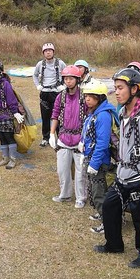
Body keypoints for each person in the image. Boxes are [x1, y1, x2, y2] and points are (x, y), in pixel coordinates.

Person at [94, 68, 140, 268]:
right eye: (115, 88)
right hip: (123, 174)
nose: (116, 92)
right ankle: (114, 244)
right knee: (110, 207)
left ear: (134, 89)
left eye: (120, 88)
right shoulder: (122, 111)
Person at [80, 79, 118, 234]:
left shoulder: (102, 115)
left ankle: (106, 222)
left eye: (92, 96)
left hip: (99, 160)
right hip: (91, 156)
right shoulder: (94, 112)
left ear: (100, 97)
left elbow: (102, 142)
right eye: (86, 95)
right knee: (94, 189)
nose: (87, 99)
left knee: (99, 192)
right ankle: (101, 213)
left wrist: (94, 164)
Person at [49, 65, 88, 208]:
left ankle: (81, 198)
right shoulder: (61, 97)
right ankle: (64, 195)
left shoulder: (84, 96)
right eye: (66, 78)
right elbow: (55, 115)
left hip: (79, 139)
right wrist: (52, 134)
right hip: (64, 138)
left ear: (77, 80)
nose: (68, 81)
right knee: (62, 169)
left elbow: (89, 117)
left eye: (71, 78)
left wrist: (85, 139)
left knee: (80, 172)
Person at [0, 59, 24, 169]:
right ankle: (5, 158)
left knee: (9, 137)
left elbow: (11, 99)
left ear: (0, 71)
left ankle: (13, 159)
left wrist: (15, 112)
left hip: (6, 115)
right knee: (1, 137)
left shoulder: (5, 84)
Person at [33, 43, 66, 147]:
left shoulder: (60, 63)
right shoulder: (40, 64)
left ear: (53, 52)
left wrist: (64, 86)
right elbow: (34, 75)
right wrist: (38, 85)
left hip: (57, 92)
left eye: (50, 50)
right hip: (45, 93)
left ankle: (60, 137)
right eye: (46, 51)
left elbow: (67, 74)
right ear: (43, 53)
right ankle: (45, 137)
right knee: (45, 116)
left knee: (58, 116)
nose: (48, 52)